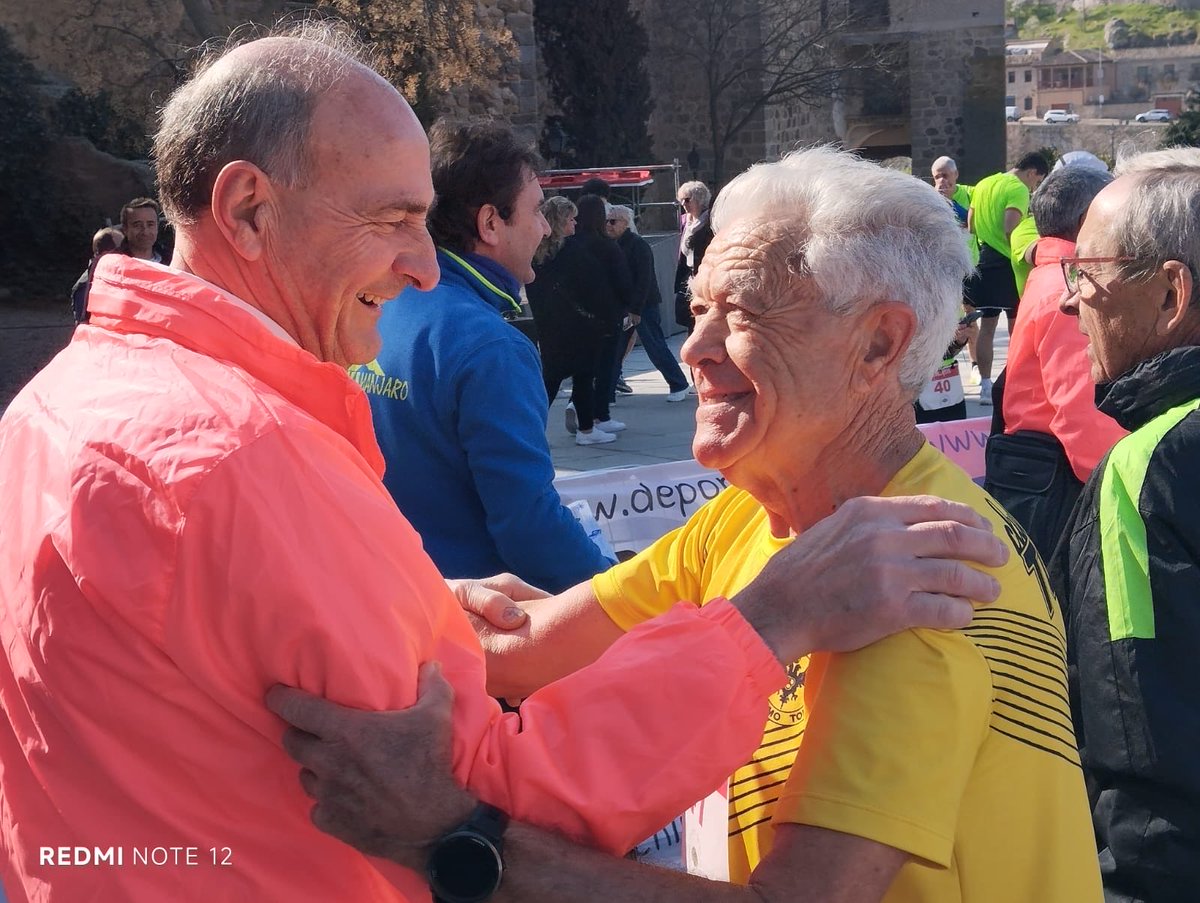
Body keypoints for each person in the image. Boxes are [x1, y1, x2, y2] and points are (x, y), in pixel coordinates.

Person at [0, 25, 1007, 902]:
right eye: (393, 219)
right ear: (251, 210)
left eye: (737, 316)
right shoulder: (240, 459)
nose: (425, 266)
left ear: (881, 344)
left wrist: (411, 609)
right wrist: (770, 624)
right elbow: (483, 791)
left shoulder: (58, 402)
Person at [270, 148, 1098, 903]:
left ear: (879, 343)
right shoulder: (754, 512)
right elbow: (524, 646)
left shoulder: (917, 578)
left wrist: (449, 835)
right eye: (696, 306)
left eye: (742, 313)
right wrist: (343, 608)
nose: (693, 348)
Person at [355, 123, 617, 590]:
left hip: (389, 592)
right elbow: (528, 527)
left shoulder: (380, 306)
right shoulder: (491, 348)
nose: (544, 227)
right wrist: (620, 594)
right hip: (472, 620)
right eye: (536, 211)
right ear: (490, 223)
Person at [1053, 148, 1200, 901]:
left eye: (1087, 273)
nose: (1068, 301)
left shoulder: (1148, 469)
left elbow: (1141, 740)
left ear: (1172, 292)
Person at [984, 165, 1126, 560]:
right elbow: (1081, 414)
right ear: (1086, 221)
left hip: (1038, 471)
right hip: (1058, 477)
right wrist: (1129, 490)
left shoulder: (1047, 274)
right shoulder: (1068, 289)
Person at [527, 196, 619, 445]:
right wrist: (606, 317)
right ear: (560, 222)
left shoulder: (536, 254)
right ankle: (586, 430)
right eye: (570, 219)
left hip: (549, 325)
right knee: (583, 377)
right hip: (579, 326)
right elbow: (594, 287)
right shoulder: (572, 251)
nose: (575, 223)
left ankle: (530, 429)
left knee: (551, 380)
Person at [965, 152, 1049, 404]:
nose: (1033, 187)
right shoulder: (1019, 189)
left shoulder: (984, 184)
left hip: (984, 262)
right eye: (1037, 181)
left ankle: (985, 385)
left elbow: (971, 224)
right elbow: (1011, 227)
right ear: (1032, 172)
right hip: (1008, 266)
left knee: (987, 329)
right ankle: (1016, 384)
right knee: (1018, 329)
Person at [606, 204, 690, 401]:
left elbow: (644, 280)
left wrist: (636, 309)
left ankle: (679, 383)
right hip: (624, 305)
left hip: (643, 305)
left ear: (625, 223)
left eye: (612, 221)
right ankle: (606, 393)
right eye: (606, 221)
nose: (607, 225)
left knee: (654, 345)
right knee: (615, 349)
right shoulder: (613, 245)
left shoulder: (638, 245)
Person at [674, 180, 712, 334]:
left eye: (688, 199)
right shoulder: (685, 222)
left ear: (700, 199)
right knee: (688, 317)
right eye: (681, 200)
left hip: (704, 277)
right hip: (687, 276)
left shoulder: (711, 222)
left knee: (700, 317)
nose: (683, 203)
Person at [68, 226, 123, 324]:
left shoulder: (118, 277)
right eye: (122, 249)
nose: (127, 254)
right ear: (107, 253)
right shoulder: (85, 286)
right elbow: (84, 325)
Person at [118, 196, 163, 262]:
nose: (145, 232)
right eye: (137, 225)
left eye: (150, 224)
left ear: (157, 227)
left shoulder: (172, 260)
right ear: (125, 229)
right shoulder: (116, 265)